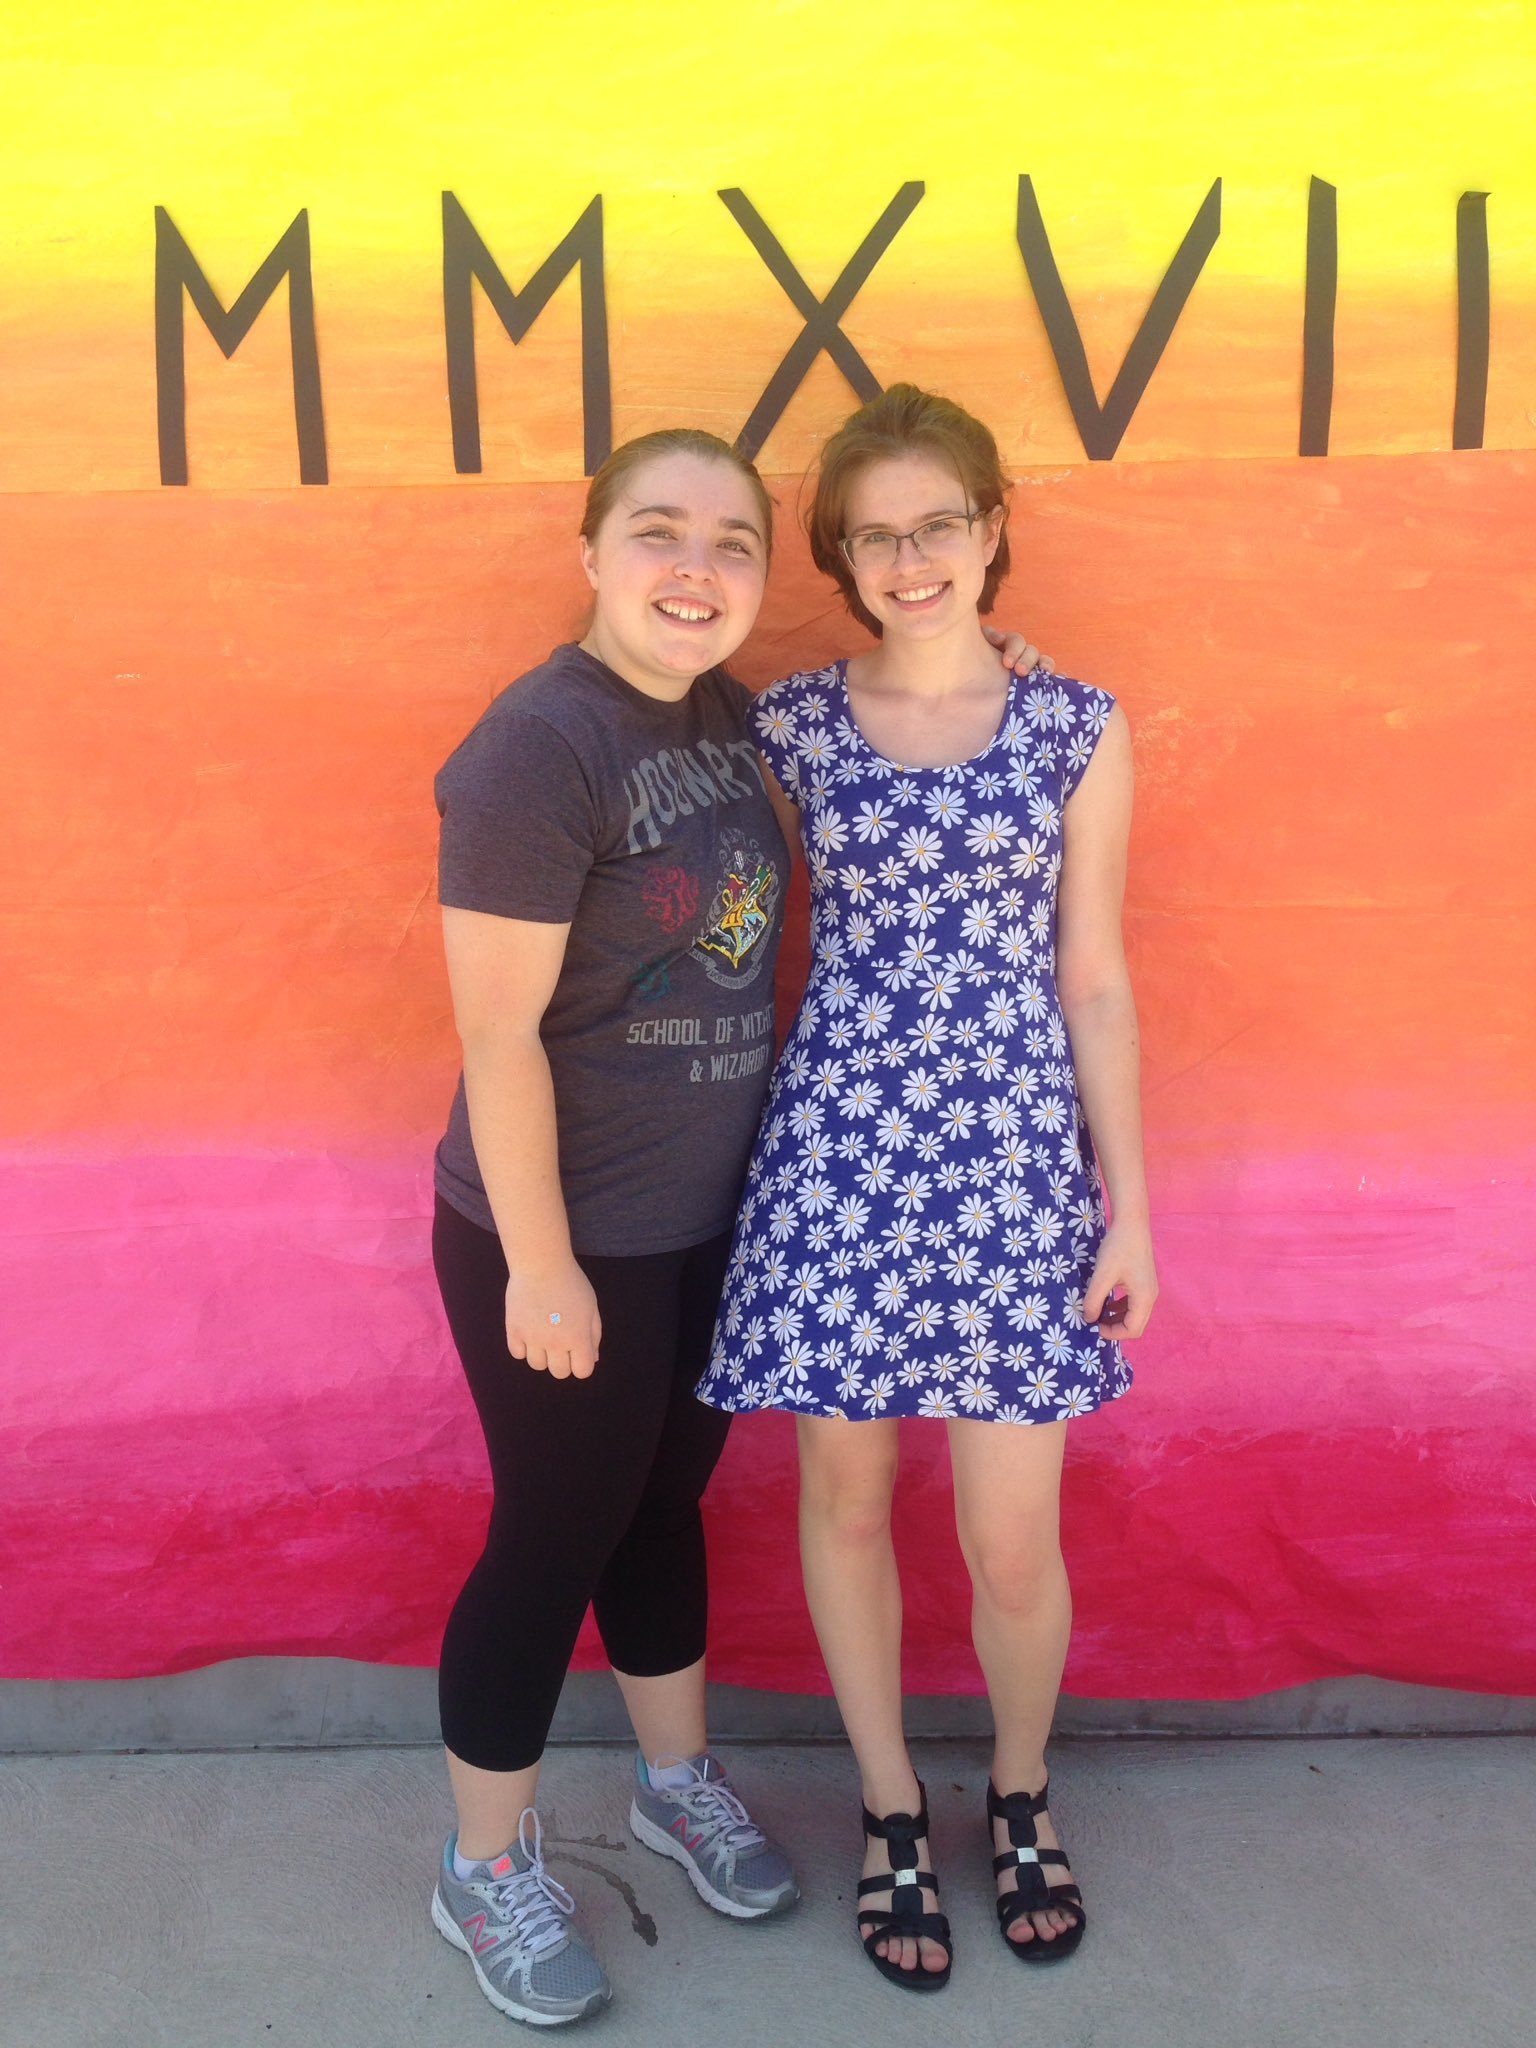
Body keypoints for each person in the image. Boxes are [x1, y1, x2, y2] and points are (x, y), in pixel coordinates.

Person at [427, 423, 1045, 2025]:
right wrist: (542, 1261)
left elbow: (921, 704)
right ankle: (484, 1866)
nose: (694, 569)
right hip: (567, 1235)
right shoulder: (536, 748)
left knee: (660, 1513)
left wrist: (1000, 659)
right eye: (659, 532)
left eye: (730, 543)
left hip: (709, 1220)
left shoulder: (715, 713)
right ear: (590, 551)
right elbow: (495, 1034)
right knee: (554, 1534)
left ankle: (675, 1783)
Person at [696, 386, 1158, 1991]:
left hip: (1014, 1169)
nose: (910, 559)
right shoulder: (790, 727)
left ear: (990, 527)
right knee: (843, 1498)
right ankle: (891, 1805)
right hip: (840, 1159)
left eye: (937, 524)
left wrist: (1130, 1206)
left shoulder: (1077, 726)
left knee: (1010, 1541)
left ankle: (1020, 1791)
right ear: (842, 556)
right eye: (875, 535)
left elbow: (1094, 977)